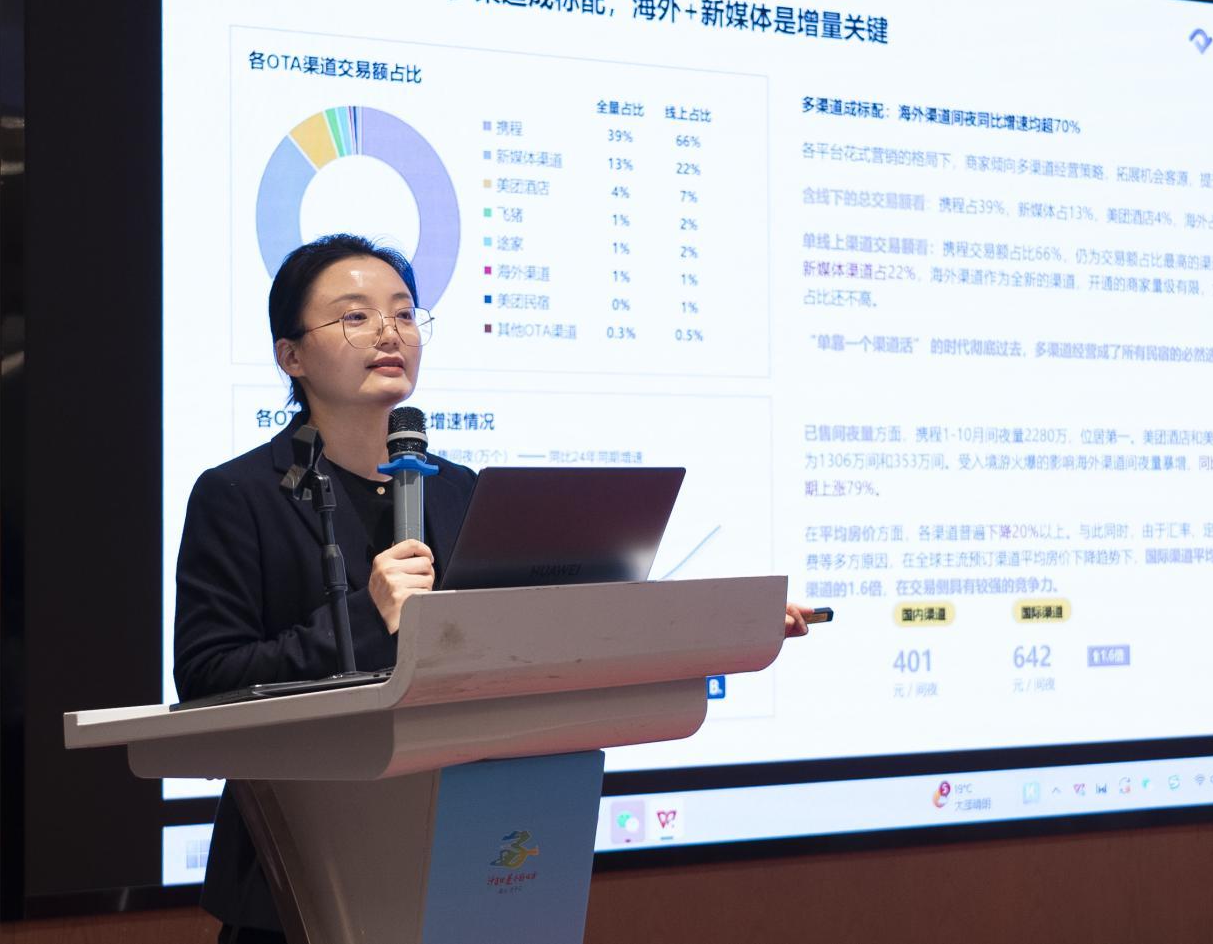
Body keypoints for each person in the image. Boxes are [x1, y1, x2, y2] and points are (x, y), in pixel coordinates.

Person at [173, 233, 813, 942]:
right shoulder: (241, 496)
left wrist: (725, 623)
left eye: (405, 313)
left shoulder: (459, 492)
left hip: (464, 849)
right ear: (291, 355)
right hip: (304, 879)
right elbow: (207, 679)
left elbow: (538, 628)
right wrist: (369, 615)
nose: (389, 333)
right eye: (356, 316)